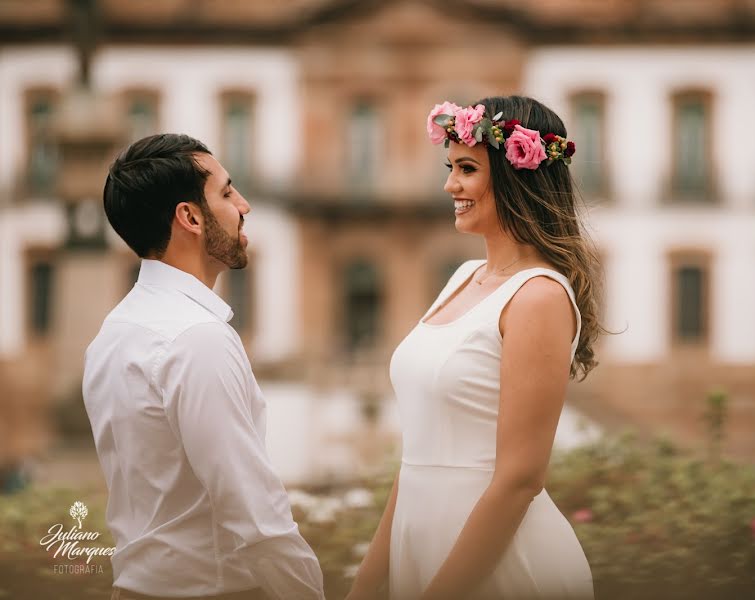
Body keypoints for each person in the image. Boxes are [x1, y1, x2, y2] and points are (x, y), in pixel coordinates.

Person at [348, 96, 601, 599]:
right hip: (420, 549)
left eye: (466, 168)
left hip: (497, 567)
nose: (449, 185)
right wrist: (366, 585)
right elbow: (415, 457)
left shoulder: (539, 297)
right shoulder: (463, 277)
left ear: (515, 177)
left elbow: (520, 480)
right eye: (451, 167)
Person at [83, 134, 324, 600]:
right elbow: (257, 517)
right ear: (190, 217)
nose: (245, 205)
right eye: (228, 192)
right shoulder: (197, 339)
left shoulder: (113, 333)